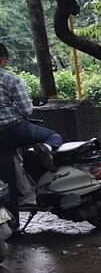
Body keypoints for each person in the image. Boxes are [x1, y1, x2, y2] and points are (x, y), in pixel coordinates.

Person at [0, 43, 62, 230]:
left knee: (7, 182)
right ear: (2, 59)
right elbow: (27, 110)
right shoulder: (9, 79)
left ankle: (14, 225)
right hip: (15, 129)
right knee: (53, 135)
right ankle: (47, 149)